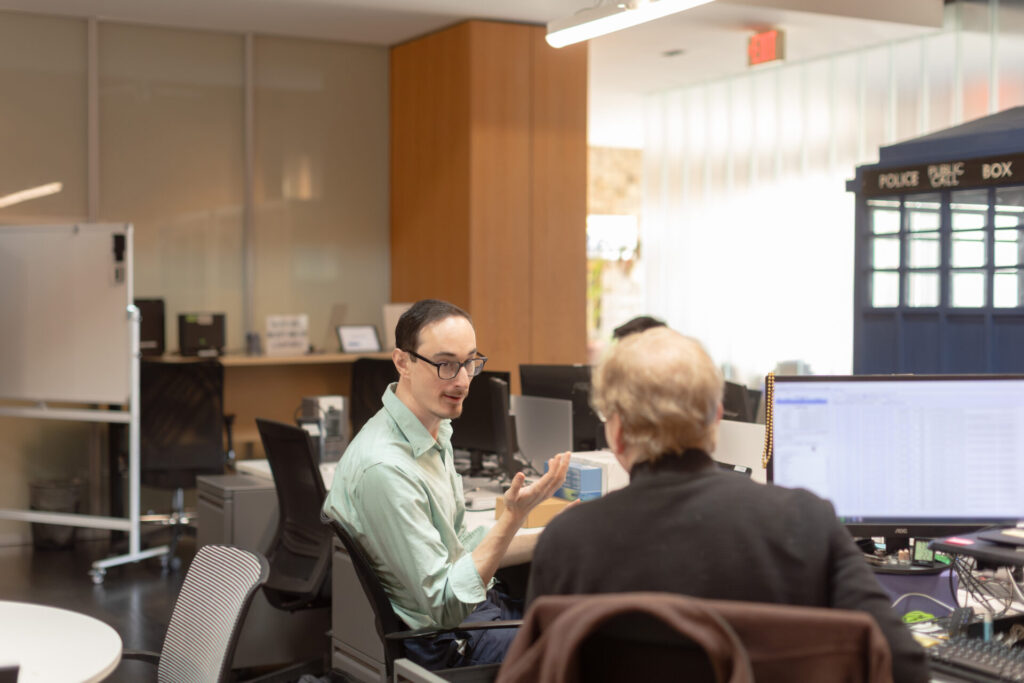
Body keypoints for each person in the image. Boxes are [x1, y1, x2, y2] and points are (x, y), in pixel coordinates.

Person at [526, 327, 929, 683]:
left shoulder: (567, 542)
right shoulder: (805, 522)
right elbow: (905, 667)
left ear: (615, 432)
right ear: (716, 420)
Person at [323, 298, 571, 670]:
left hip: (472, 612)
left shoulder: (431, 430)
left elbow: (459, 551)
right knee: (584, 642)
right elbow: (444, 606)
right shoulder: (386, 467)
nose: (462, 380)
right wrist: (511, 518)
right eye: (445, 365)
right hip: (446, 641)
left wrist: (559, 531)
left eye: (470, 362)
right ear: (402, 362)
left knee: (581, 608)